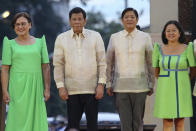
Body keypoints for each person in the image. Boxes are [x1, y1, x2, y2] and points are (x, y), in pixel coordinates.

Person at [53, 7, 106, 131]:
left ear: (85, 21)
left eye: (79, 19)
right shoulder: (61, 38)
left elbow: (102, 62)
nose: (77, 22)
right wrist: (61, 87)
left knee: (92, 126)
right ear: (70, 21)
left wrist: (101, 84)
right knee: (72, 126)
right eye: (74, 19)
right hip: (71, 90)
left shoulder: (95, 36)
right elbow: (58, 64)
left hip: (92, 89)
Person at [106, 7, 154, 131]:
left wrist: (151, 83)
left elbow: (150, 62)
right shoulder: (114, 37)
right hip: (120, 87)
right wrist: (108, 83)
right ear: (122, 20)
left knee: (138, 123)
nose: (129, 19)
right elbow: (109, 62)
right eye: (126, 17)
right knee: (125, 124)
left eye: (132, 17)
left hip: (141, 86)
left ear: (137, 20)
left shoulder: (145, 37)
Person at [1, 12, 50, 131]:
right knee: (17, 118)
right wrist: (4, 91)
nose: (20, 27)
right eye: (17, 24)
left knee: (36, 119)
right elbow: (5, 69)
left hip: (36, 87)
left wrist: (47, 88)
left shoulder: (40, 42)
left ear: (30, 25)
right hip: (17, 88)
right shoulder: (9, 43)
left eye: (23, 24)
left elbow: (46, 67)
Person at [152, 20, 196, 131]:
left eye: (174, 30)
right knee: (167, 123)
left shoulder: (188, 48)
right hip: (165, 89)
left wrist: (183, 79)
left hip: (182, 88)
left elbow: (193, 69)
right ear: (164, 33)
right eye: (168, 31)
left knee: (180, 123)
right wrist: (167, 80)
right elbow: (156, 72)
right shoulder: (158, 49)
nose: (171, 33)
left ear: (180, 33)